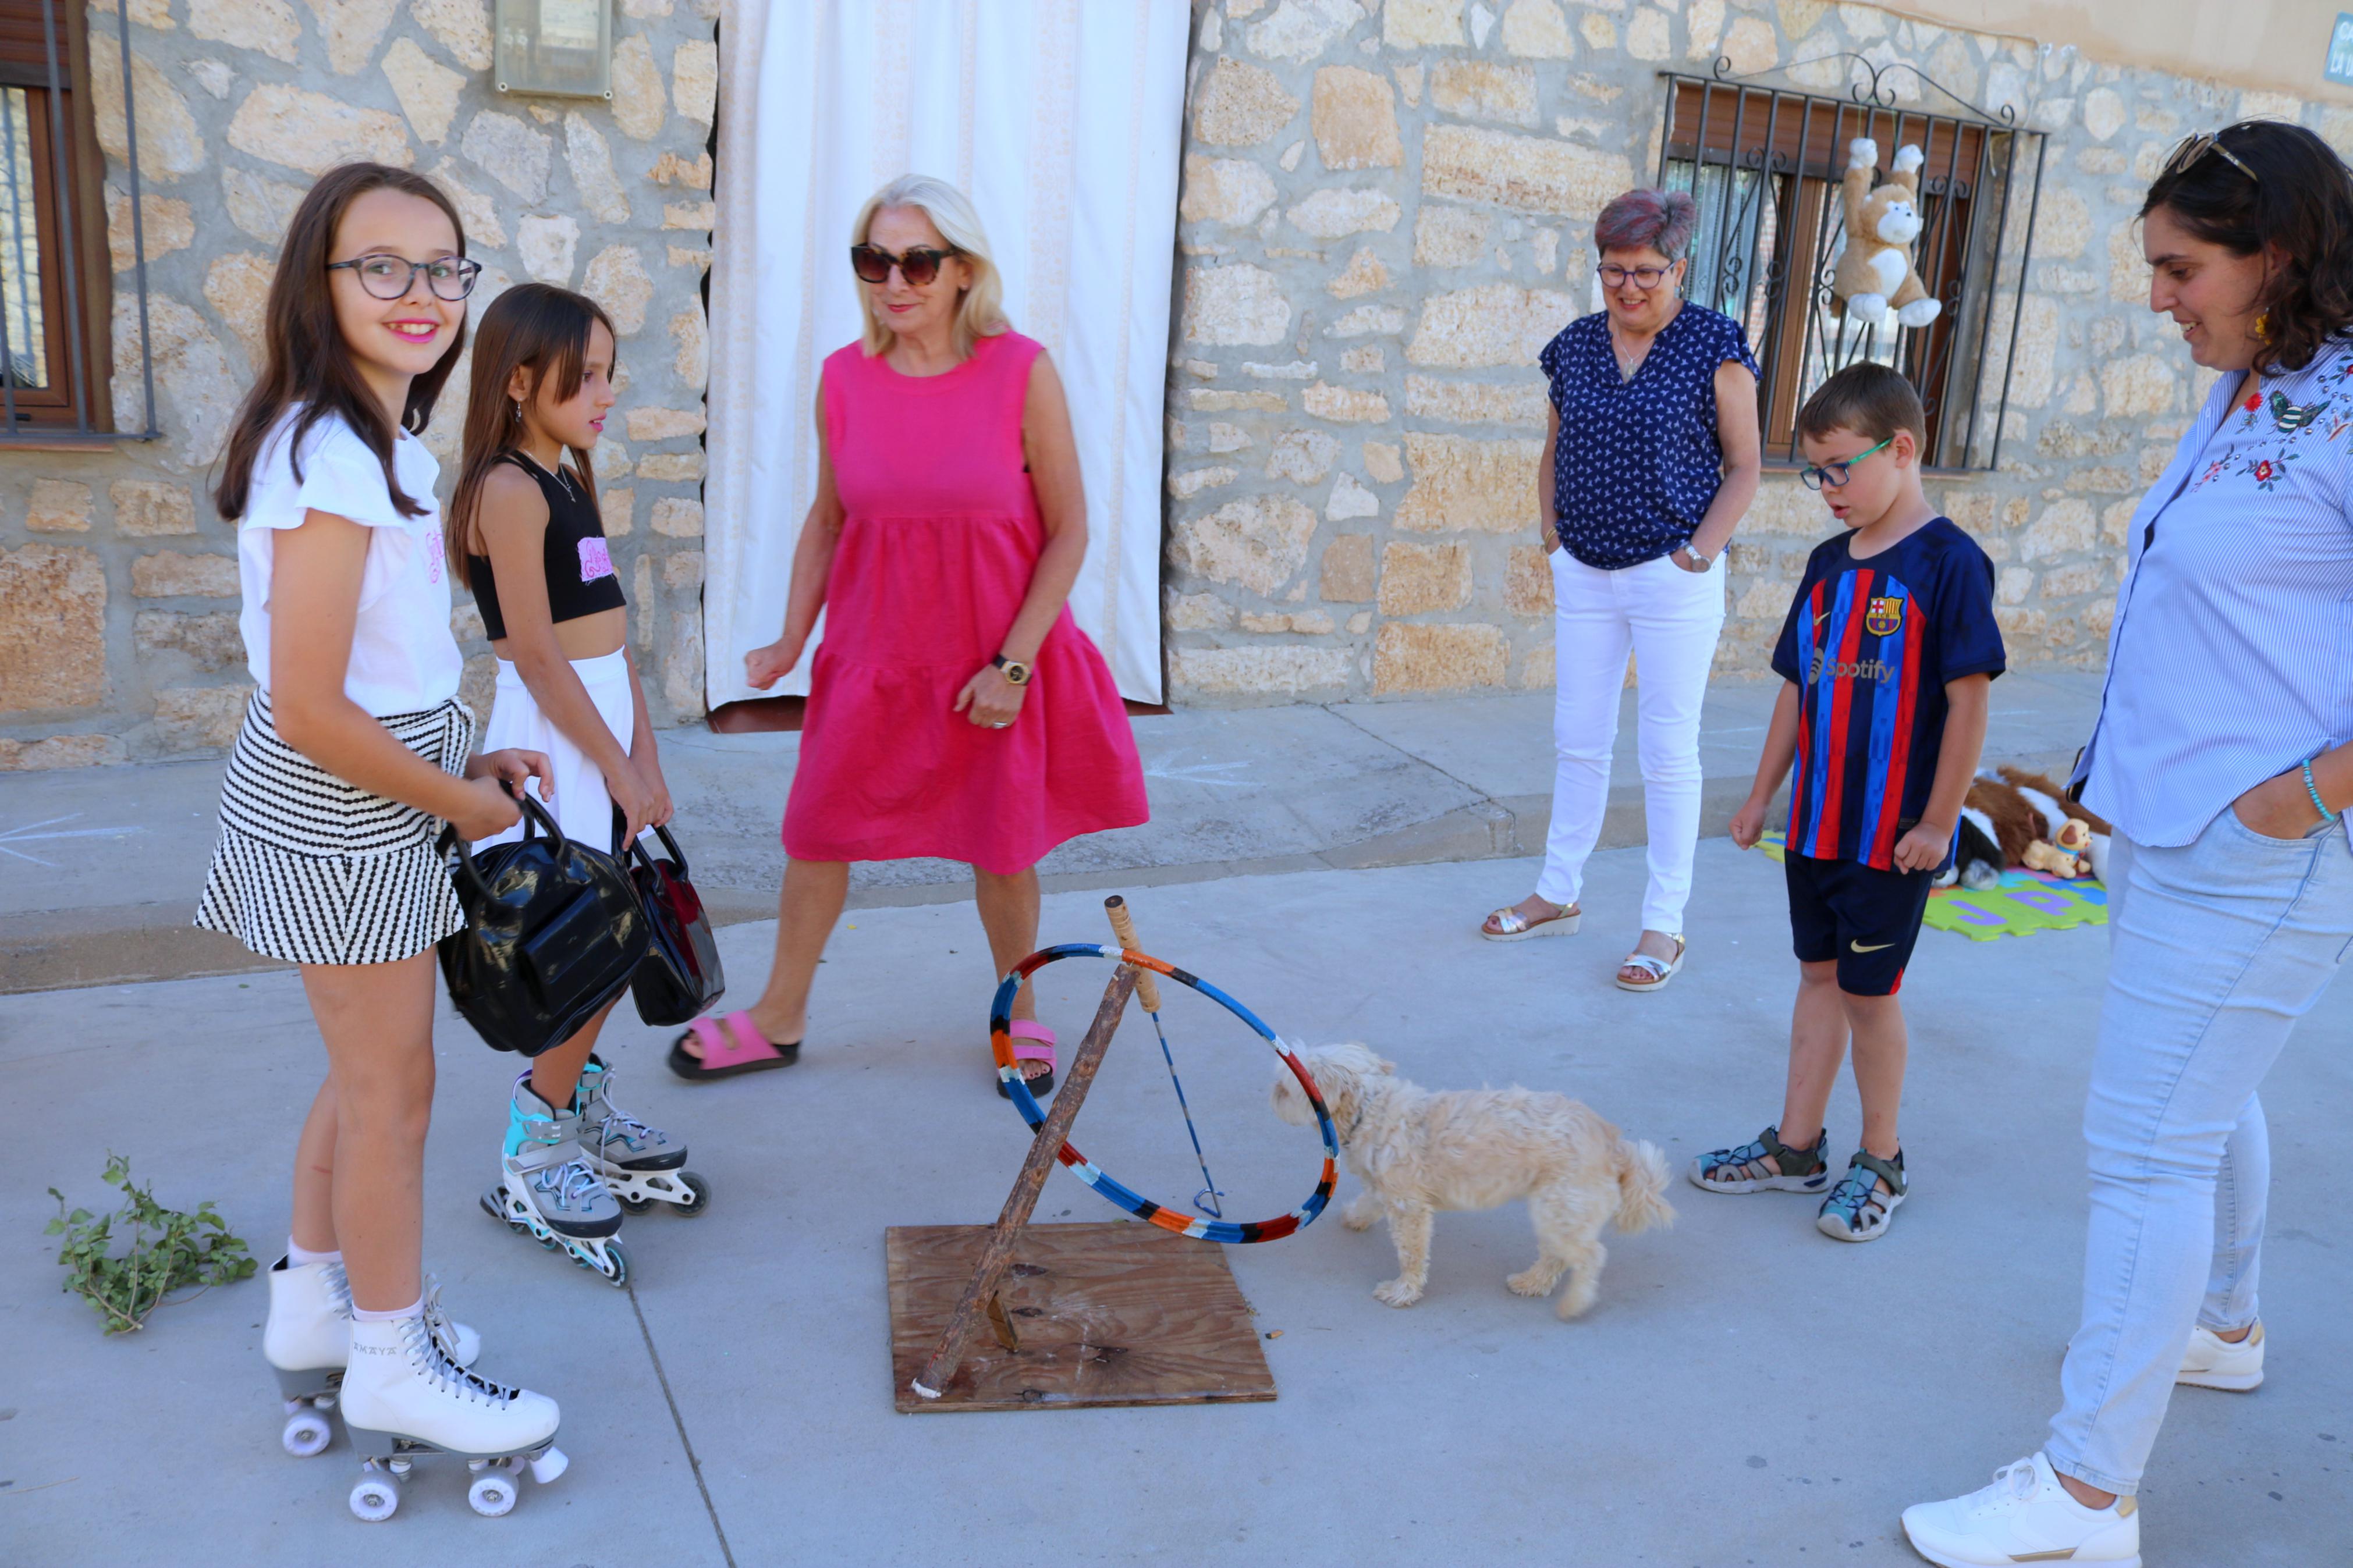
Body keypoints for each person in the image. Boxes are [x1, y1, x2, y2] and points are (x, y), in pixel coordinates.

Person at [1903, 120, 2353, 1568]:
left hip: (2262, 840)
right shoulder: (2251, 384)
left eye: (2182, 268)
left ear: (2276, 252)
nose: (2159, 296)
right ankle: (2218, 1325)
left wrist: (2310, 792)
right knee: (2200, 1103)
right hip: (2177, 820)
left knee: (2145, 1149)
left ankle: (2085, 1499)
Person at [198, 163, 562, 1467]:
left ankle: (313, 1311)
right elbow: (307, 705)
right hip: (343, 808)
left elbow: (382, 671)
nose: (422, 293)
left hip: (381, 786)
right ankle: (393, 1361)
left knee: (367, 1077)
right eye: (383, 267)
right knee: (392, 1092)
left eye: (444, 266)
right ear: (322, 281)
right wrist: (462, 798)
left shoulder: (378, 440)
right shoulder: (330, 454)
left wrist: (476, 747)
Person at [671, 173, 1147, 1093]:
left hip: (990, 657)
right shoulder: (844, 381)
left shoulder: (1021, 370)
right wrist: (786, 638)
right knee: (817, 833)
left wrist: (1014, 663)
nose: (895, 280)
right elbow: (827, 520)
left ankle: (1021, 1013)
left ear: (964, 271)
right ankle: (780, 1015)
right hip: (874, 655)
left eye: (918, 261)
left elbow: (1070, 530)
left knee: (1000, 846)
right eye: (874, 259)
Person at [1701, 363, 2002, 1245]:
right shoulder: (1828, 565)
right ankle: (1796, 1150)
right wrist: (1762, 797)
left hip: (1891, 838)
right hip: (1817, 827)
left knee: (1871, 995)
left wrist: (1940, 821)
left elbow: (1971, 700)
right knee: (1818, 979)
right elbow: (1798, 687)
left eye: (1839, 468)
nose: (1826, 490)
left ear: (1902, 450)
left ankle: (1881, 1158)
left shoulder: (1950, 563)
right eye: (1814, 473)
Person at [445, 283, 698, 1283]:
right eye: (582, 374)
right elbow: (543, 662)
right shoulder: (505, 489)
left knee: (615, 934)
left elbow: (613, 643)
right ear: (517, 380)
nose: (603, 392)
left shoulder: (566, 478)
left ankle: (577, 1103)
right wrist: (612, 764)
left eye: (607, 371)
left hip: (602, 739)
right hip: (554, 745)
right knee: (582, 946)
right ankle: (535, 1144)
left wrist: (648, 759)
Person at [1482, 186, 1762, 993]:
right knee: (1578, 737)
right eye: (1613, 271)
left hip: (1672, 575)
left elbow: (1744, 465)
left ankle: (1662, 926)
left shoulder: (1714, 342)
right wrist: (1552, 536)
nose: (1628, 287)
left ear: (1681, 266)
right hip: (1587, 571)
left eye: (1646, 272)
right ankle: (1557, 892)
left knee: (1668, 750)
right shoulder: (1572, 348)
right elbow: (1554, 448)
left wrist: (1699, 556)